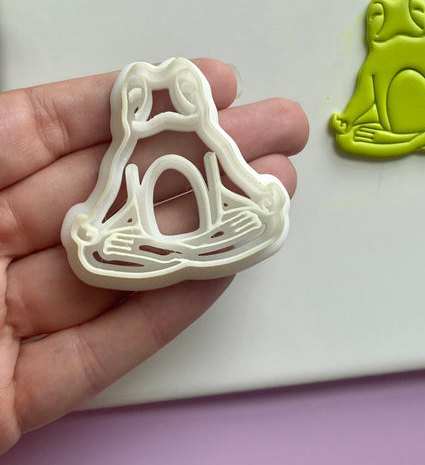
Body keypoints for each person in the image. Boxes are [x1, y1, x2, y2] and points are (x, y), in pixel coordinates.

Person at [0, 58, 309, 454]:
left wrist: (257, 201)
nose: (163, 112)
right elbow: (113, 190)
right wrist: (96, 230)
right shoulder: (132, 147)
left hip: (198, 227)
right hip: (143, 239)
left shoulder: (201, 138)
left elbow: (228, 166)